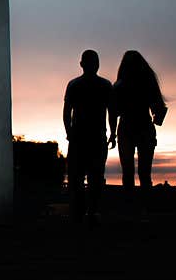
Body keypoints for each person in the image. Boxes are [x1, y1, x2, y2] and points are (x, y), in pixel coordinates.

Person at [63, 49, 115, 226]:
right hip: (95, 137)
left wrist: (69, 132)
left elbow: (66, 112)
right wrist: (113, 133)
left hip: (80, 137)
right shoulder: (105, 85)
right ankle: (91, 212)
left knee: (78, 176)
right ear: (97, 64)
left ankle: (79, 212)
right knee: (95, 176)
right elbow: (112, 113)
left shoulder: (74, 85)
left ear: (81, 64)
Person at [111, 50, 167, 215]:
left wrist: (113, 133)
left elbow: (114, 112)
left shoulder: (119, 85)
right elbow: (158, 108)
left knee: (127, 173)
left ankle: (130, 209)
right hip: (145, 129)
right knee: (145, 173)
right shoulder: (148, 83)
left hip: (126, 129)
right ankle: (146, 209)